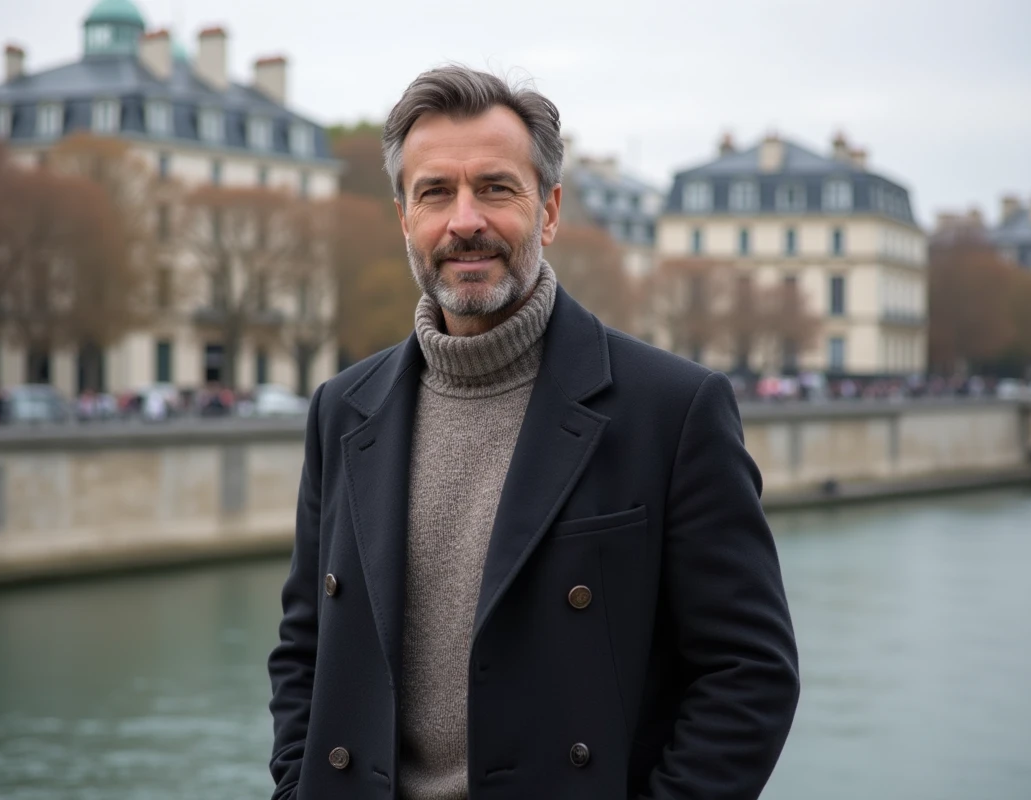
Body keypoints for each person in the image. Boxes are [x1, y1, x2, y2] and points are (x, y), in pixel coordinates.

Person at [268, 66, 799, 800]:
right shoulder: (342, 408)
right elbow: (305, 650)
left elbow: (750, 676)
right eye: (435, 193)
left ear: (548, 210)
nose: (464, 221)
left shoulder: (672, 410)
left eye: (494, 187)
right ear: (404, 219)